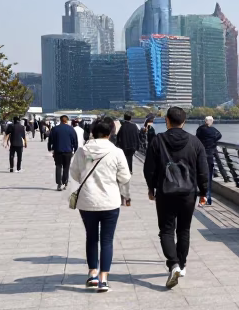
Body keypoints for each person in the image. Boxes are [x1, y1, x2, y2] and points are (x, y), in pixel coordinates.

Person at [143, 106, 207, 289]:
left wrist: (151, 188)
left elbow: (149, 168)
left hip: (165, 192)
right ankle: (182, 264)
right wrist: (203, 192)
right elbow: (203, 170)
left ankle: (173, 264)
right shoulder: (195, 142)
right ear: (184, 122)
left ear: (167, 121)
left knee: (166, 230)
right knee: (184, 230)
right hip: (188, 194)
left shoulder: (158, 141)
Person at [70, 116, 132, 293]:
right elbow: (125, 177)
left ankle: (92, 273)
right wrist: (125, 195)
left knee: (91, 237)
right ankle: (104, 279)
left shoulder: (82, 151)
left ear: (92, 131)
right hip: (110, 201)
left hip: (87, 201)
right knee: (106, 240)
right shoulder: (116, 152)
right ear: (111, 132)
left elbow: (74, 174)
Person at [195, 115, 222, 206]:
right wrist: (213, 141)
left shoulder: (200, 130)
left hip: (200, 156)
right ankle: (208, 199)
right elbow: (219, 135)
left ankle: (202, 198)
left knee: (201, 177)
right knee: (209, 178)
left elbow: (196, 139)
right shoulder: (213, 130)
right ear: (210, 122)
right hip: (210, 155)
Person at [47, 114, 79, 190]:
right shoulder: (71, 129)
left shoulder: (55, 129)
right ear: (67, 121)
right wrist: (75, 149)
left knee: (58, 166)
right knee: (66, 167)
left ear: (60, 120)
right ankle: (65, 182)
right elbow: (75, 140)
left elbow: (50, 139)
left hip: (57, 151)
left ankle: (59, 183)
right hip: (68, 151)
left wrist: (49, 148)